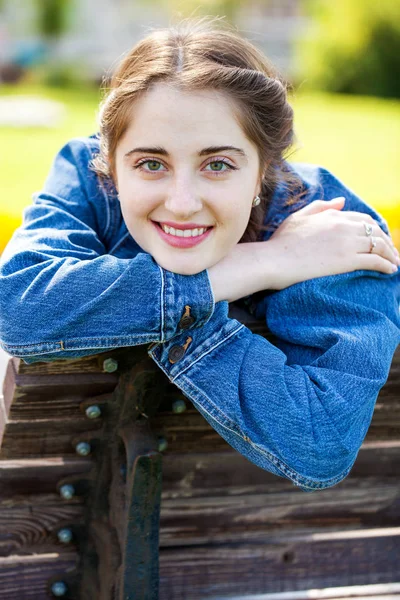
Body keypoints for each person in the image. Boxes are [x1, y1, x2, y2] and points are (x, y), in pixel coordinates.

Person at [0, 18, 399, 492]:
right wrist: (261, 263)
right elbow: (17, 307)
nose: (183, 202)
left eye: (217, 164)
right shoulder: (87, 180)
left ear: (264, 169)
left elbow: (319, 438)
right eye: (151, 164)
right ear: (110, 165)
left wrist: (142, 309)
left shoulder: (329, 225)